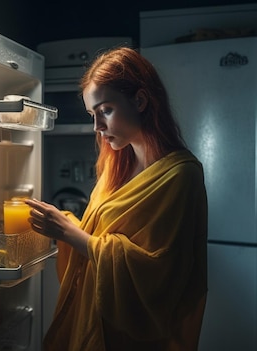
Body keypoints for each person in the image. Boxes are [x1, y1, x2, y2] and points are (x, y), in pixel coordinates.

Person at [25, 46, 208, 351]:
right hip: (98, 324)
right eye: (92, 115)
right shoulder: (115, 165)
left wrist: (67, 231)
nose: (97, 127)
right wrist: (60, 225)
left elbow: (159, 274)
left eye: (105, 110)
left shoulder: (181, 175)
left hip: (138, 339)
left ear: (140, 100)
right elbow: (99, 238)